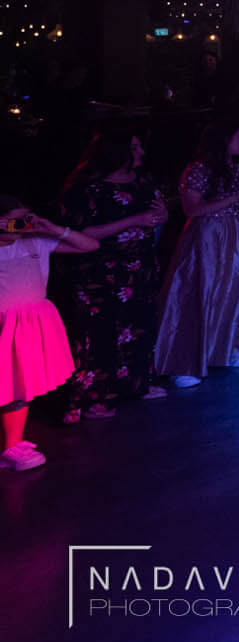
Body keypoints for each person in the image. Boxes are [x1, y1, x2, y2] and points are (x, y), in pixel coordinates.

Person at [52, 126, 170, 421]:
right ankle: (96, 398)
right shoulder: (86, 189)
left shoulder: (143, 181)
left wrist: (161, 216)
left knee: (140, 326)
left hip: (139, 269)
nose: (141, 153)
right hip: (100, 273)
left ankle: (136, 385)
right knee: (100, 334)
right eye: (134, 147)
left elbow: (157, 216)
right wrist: (135, 220)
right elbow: (81, 232)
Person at [154, 121, 239, 385]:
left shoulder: (238, 169)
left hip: (238, 233)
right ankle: (185, 362)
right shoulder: (199, 169)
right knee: (201, 290)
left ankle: (229, 347)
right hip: (209, 236)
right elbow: (192, 209)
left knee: (235, 290)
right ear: (224, 138)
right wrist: (238, 197)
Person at [0, 199, 101, 470]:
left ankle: (11, 445)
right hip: (3, 324)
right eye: (16, 220)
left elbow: (90, 245)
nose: (23, 225)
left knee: (19, 384)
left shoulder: (36, 242)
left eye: (27, 219)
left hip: (28, 325)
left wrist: (54, 229)